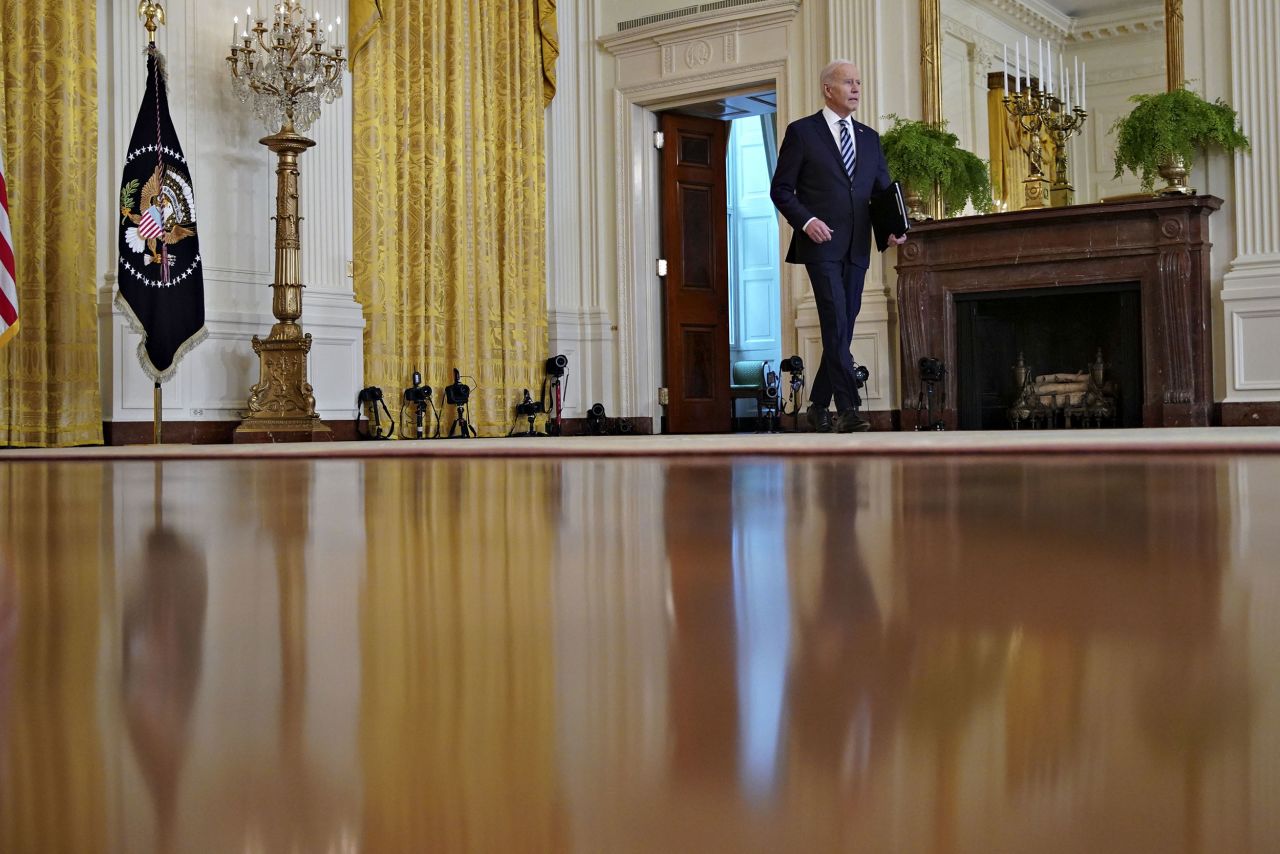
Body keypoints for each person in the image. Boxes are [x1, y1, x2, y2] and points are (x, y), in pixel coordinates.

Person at [770, 60, 906, 433]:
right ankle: (847, 408)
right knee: (835, 319)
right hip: (821, 243)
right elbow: (780, 189)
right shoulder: (802, 132)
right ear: (828, 89)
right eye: (849, 82)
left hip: (857, 247)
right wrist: (807, 221)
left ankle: (816, 404)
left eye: (859, 82)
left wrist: (893, 228)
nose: (857, 88)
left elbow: (881, 191)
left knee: (842, 327)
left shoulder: (868, 137)